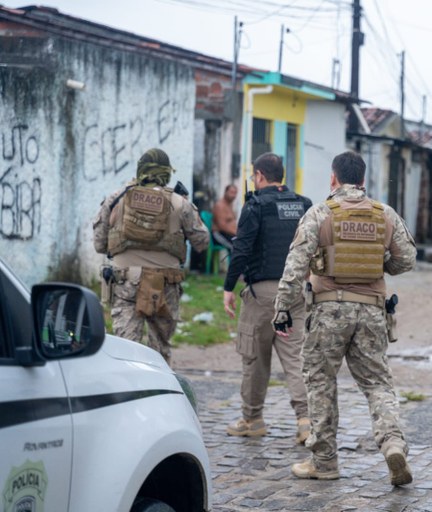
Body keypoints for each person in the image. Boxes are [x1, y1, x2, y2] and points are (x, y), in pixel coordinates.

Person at [272, 150, 416, 486]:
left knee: (321, 381)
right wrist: (380, 265)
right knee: (378, 383)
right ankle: (393, 444)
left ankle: (324, 462)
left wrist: (282, 308)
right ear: (363, 180)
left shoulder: (320, 213)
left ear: (334, 178)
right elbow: (406, 259)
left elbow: (295, 266)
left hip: (328, 310)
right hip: (371, 310)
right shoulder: (385, 215)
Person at [222, 153, 313, 443]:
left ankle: (252, 419)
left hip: (262, 295)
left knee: (254, 358)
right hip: (296, 293)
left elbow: (242, 249)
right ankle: (306, 421)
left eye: (253, 176)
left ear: (260, 175)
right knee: (296, 359)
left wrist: (228, 288)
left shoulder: (255, 205)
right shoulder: (304, 205)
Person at [92, 148, 209, 365]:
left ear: (140, 170)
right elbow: (202, 242)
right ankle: (158, 392)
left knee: (124, 349)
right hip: (164, 285)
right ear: (167, 173)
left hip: (126, 281)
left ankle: (127, 392)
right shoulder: (179, 203)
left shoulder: (116, 198)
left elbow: (100, 244)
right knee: (160, 350)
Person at [212, 184, 238, 251]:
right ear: (225, 192)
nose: (233, 195)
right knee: (237, 247)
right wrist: (236, 233)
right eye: (231, 192)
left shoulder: (230, 205)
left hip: (229, 234)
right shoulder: (220, 205)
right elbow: (222, 227)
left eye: (235, 193)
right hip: (219, 235)